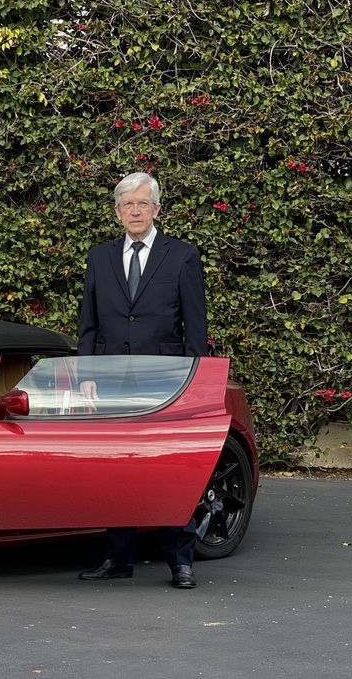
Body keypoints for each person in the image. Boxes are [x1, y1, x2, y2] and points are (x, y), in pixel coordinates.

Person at [76, 172, 207, 589]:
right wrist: (87, 374)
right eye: (127, 205)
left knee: (171, 470)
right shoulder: (99, 257)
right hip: (111, 381)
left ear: (156, 209)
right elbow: (89, 324)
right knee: (117, 470)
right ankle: (118, 557)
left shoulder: (182, 256)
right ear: (117, 212)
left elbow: (196, 327)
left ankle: (180, 560)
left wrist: (192, 380)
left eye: (142, 204)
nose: (135, 211)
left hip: (166, 382)